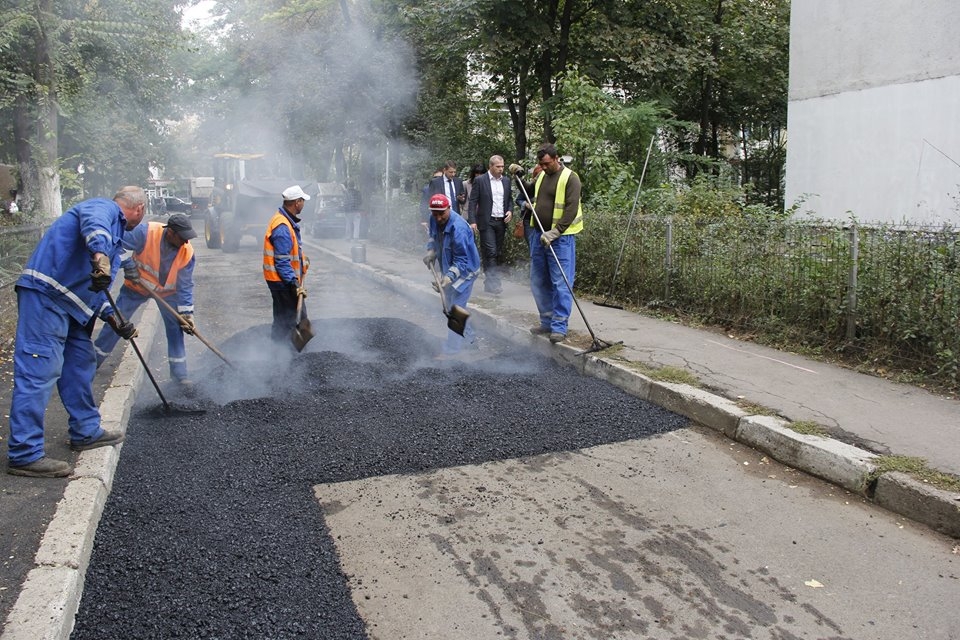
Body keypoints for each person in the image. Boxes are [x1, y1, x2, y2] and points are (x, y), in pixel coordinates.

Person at [7, 186, 146, 477]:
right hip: (46, 296)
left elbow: (96, 290)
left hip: (71, 307)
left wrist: (113, 319)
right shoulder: (104, 209)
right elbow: (95, 230)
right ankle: (24, 453)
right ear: (139, 209)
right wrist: (100, 255)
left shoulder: (114, 241)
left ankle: (85, 430)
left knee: (79, 365)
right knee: (39, 370)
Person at [93, 213, 197, 391]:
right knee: (117, 323)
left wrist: (186, 314)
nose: (186, 242)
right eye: (183, 237)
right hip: (136, 288)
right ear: (170, 232)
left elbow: (185, 285)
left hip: (167, 294)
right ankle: (92, 364)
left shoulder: (187, 252)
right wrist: (129, 266)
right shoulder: (146, 233)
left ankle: (180, 376)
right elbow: (118, 245)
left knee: (176, 329)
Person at [510, 143, 583, 344]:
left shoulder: (571, 178)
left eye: (547, 163)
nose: (543, 167)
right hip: (538, 235)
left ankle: (559, 326)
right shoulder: (542, 175)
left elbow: (571, 208)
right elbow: (528, 191)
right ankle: (547, 321)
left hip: (560, 239)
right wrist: (518, 177)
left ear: (556, 158)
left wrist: (556, 231)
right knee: (538, 280)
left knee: (560, 283)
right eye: (541, 164)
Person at [422, 193, 481, 356]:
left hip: (466, 270)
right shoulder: (434, 218)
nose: (439, 218)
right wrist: (431, 252)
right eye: (435, 213)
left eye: (442, 213)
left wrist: (448, 278)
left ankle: (452, 349)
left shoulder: (459, 228)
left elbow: (462, 260)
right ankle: (470, 339)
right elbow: (433, 237)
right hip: (450, 266)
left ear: (449, 208)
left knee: (455, 310)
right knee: (452, 306)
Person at [264, 185, 311, 344]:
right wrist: (294, 284)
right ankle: (301, 354)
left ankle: (277, 352)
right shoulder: (282, 226)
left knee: (281, 320)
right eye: (302, 201)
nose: (303, 204)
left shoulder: (283, 221)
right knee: (297, 318)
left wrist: (303, 261)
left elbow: (291, 252)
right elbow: (282, 261)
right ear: (297, 202)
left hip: (279, 281)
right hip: (283, 282)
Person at [467, 155, 513, 294]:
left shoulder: (506, 181)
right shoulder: (481, 180)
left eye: (502, 166)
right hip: (486, 221)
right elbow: (473, 202)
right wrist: (473, 221)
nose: (501, 169)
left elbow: (509, 199)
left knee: (496, 253)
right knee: (491, 251)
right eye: (498, 167)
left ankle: (489, 282)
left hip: (501, 221)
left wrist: (510, 211)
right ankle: (494, 283)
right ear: (491, 166)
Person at [514, 163, 543, 241]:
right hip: (529, 219)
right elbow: (518, 199)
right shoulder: (531, 186)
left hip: (542, 221)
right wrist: (527, 205)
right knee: (532, 243)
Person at [419, 168, 443, 234]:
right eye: (435, 177)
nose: (437, 179)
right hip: (431, 218)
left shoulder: (447, 188)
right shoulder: (427, 189)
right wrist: (424, 219)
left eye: (439, 177)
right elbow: (423, 205)